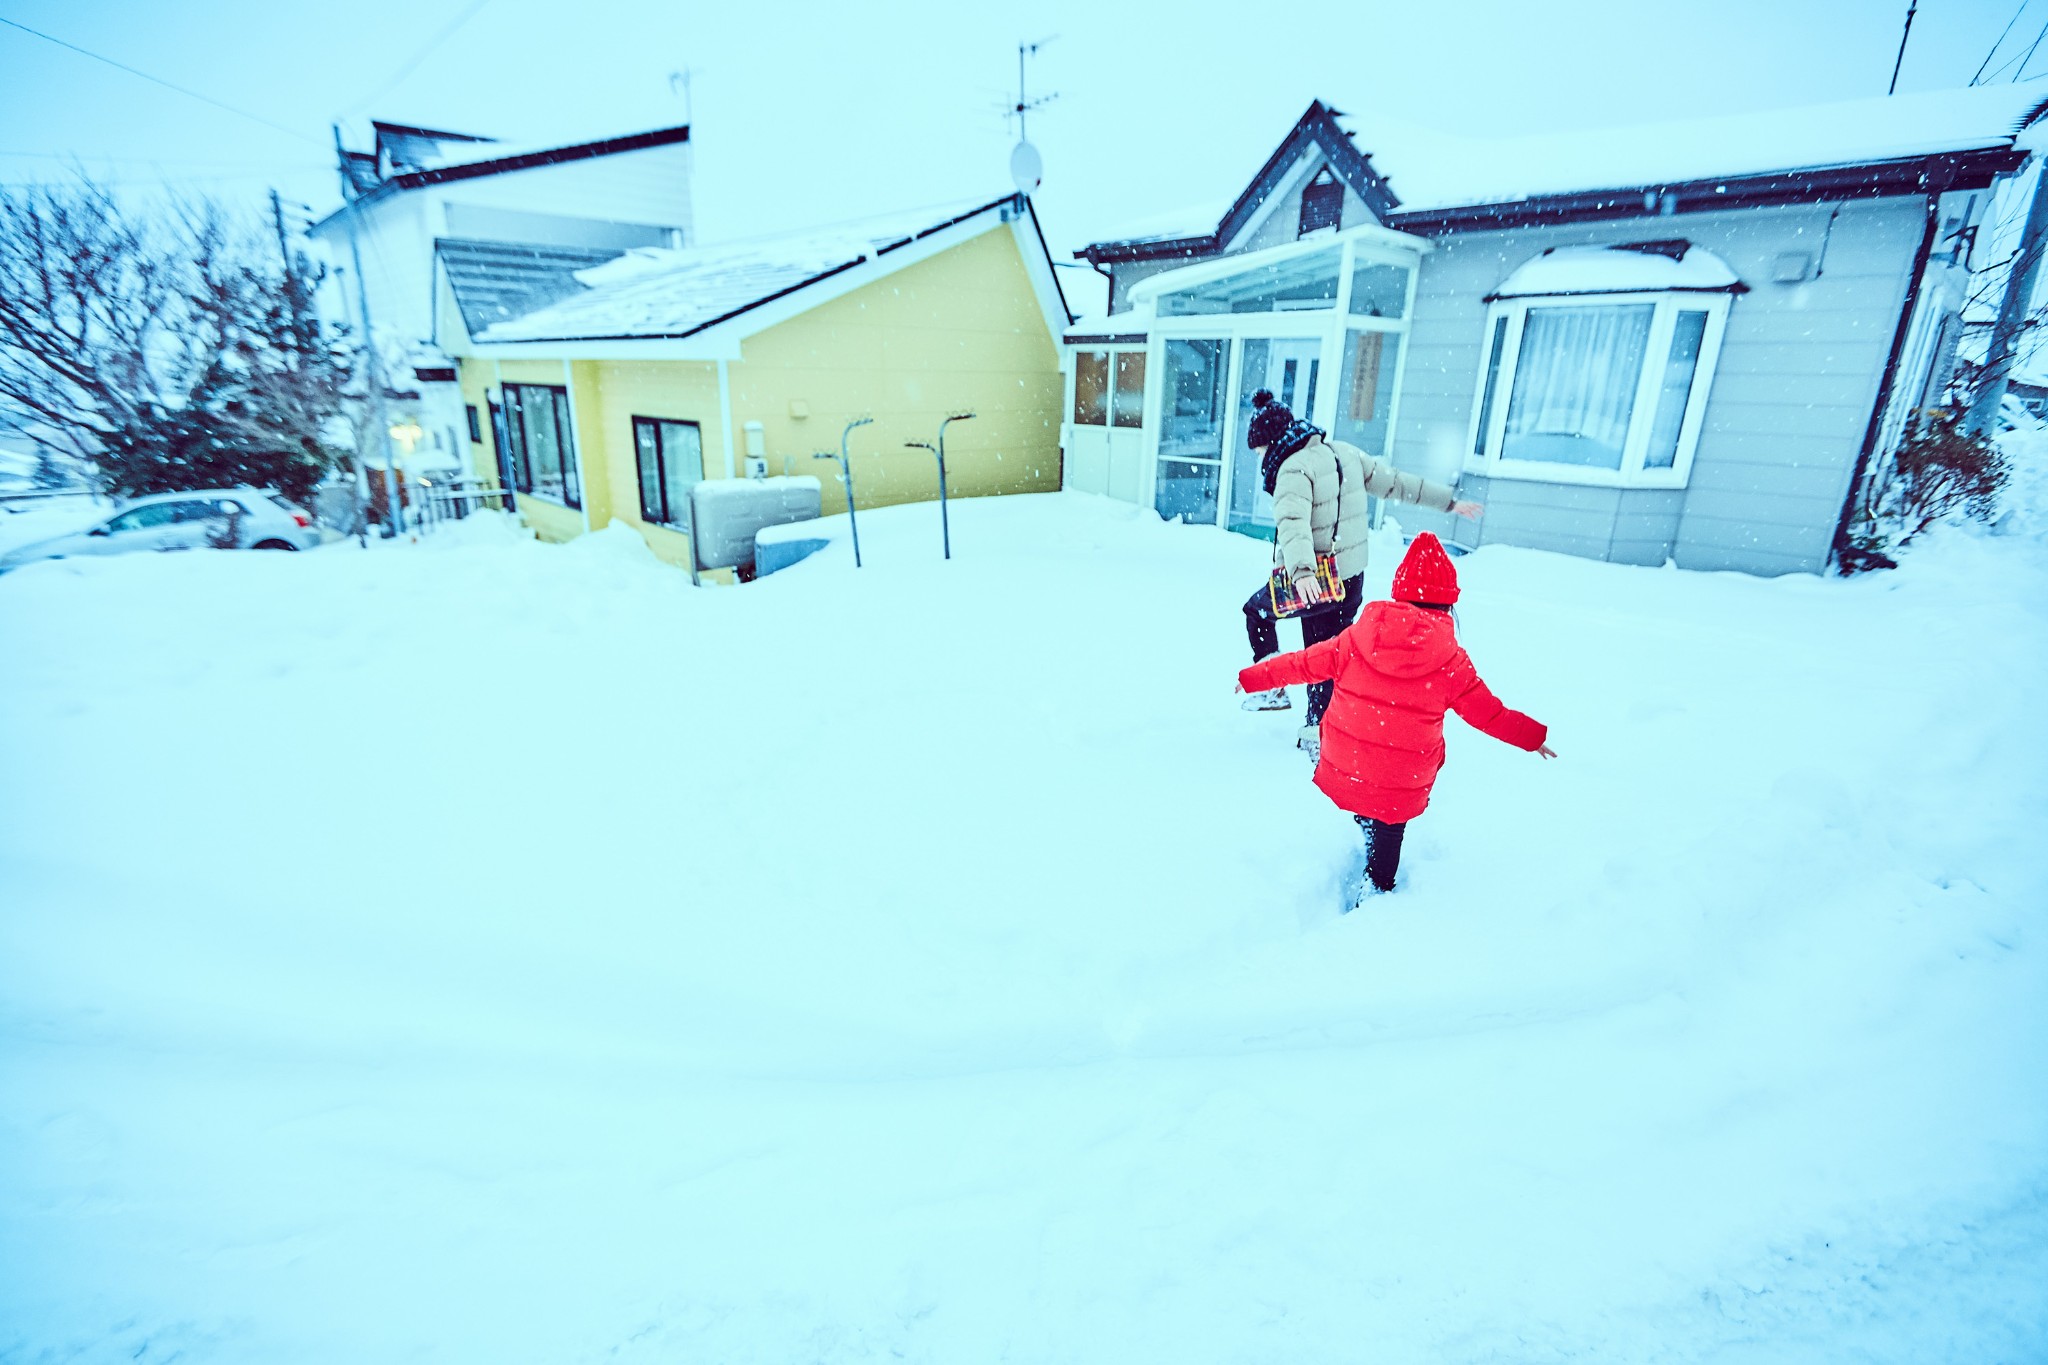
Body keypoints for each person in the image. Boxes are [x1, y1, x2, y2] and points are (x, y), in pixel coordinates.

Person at [1236, 531, 1555, 902]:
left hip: (1349, 759)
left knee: (1369, 787)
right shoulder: (1451, 661)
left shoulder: (1357, 637)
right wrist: (1532, 737)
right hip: (1403, 774)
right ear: (1447, 604)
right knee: (1390, 818)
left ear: (1400, 592)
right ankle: (1377, 885)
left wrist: (1253, 678)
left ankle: (1365, 822)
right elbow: (1490, 715)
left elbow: (1303, 664)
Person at [1237, 389, 1483, 757]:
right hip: (1350, 580)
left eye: (1257, 449)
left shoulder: (1292, 467)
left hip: (1314, 580)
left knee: (1257, 614)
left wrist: (1302, 570)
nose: (1259, 457)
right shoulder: (1343, 453)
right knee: (1325, 654)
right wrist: (1448, 502)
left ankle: (1273, 689)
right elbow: (1397, 482)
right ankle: (1317, 731)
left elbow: (1293, 523)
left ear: (1270, 440)